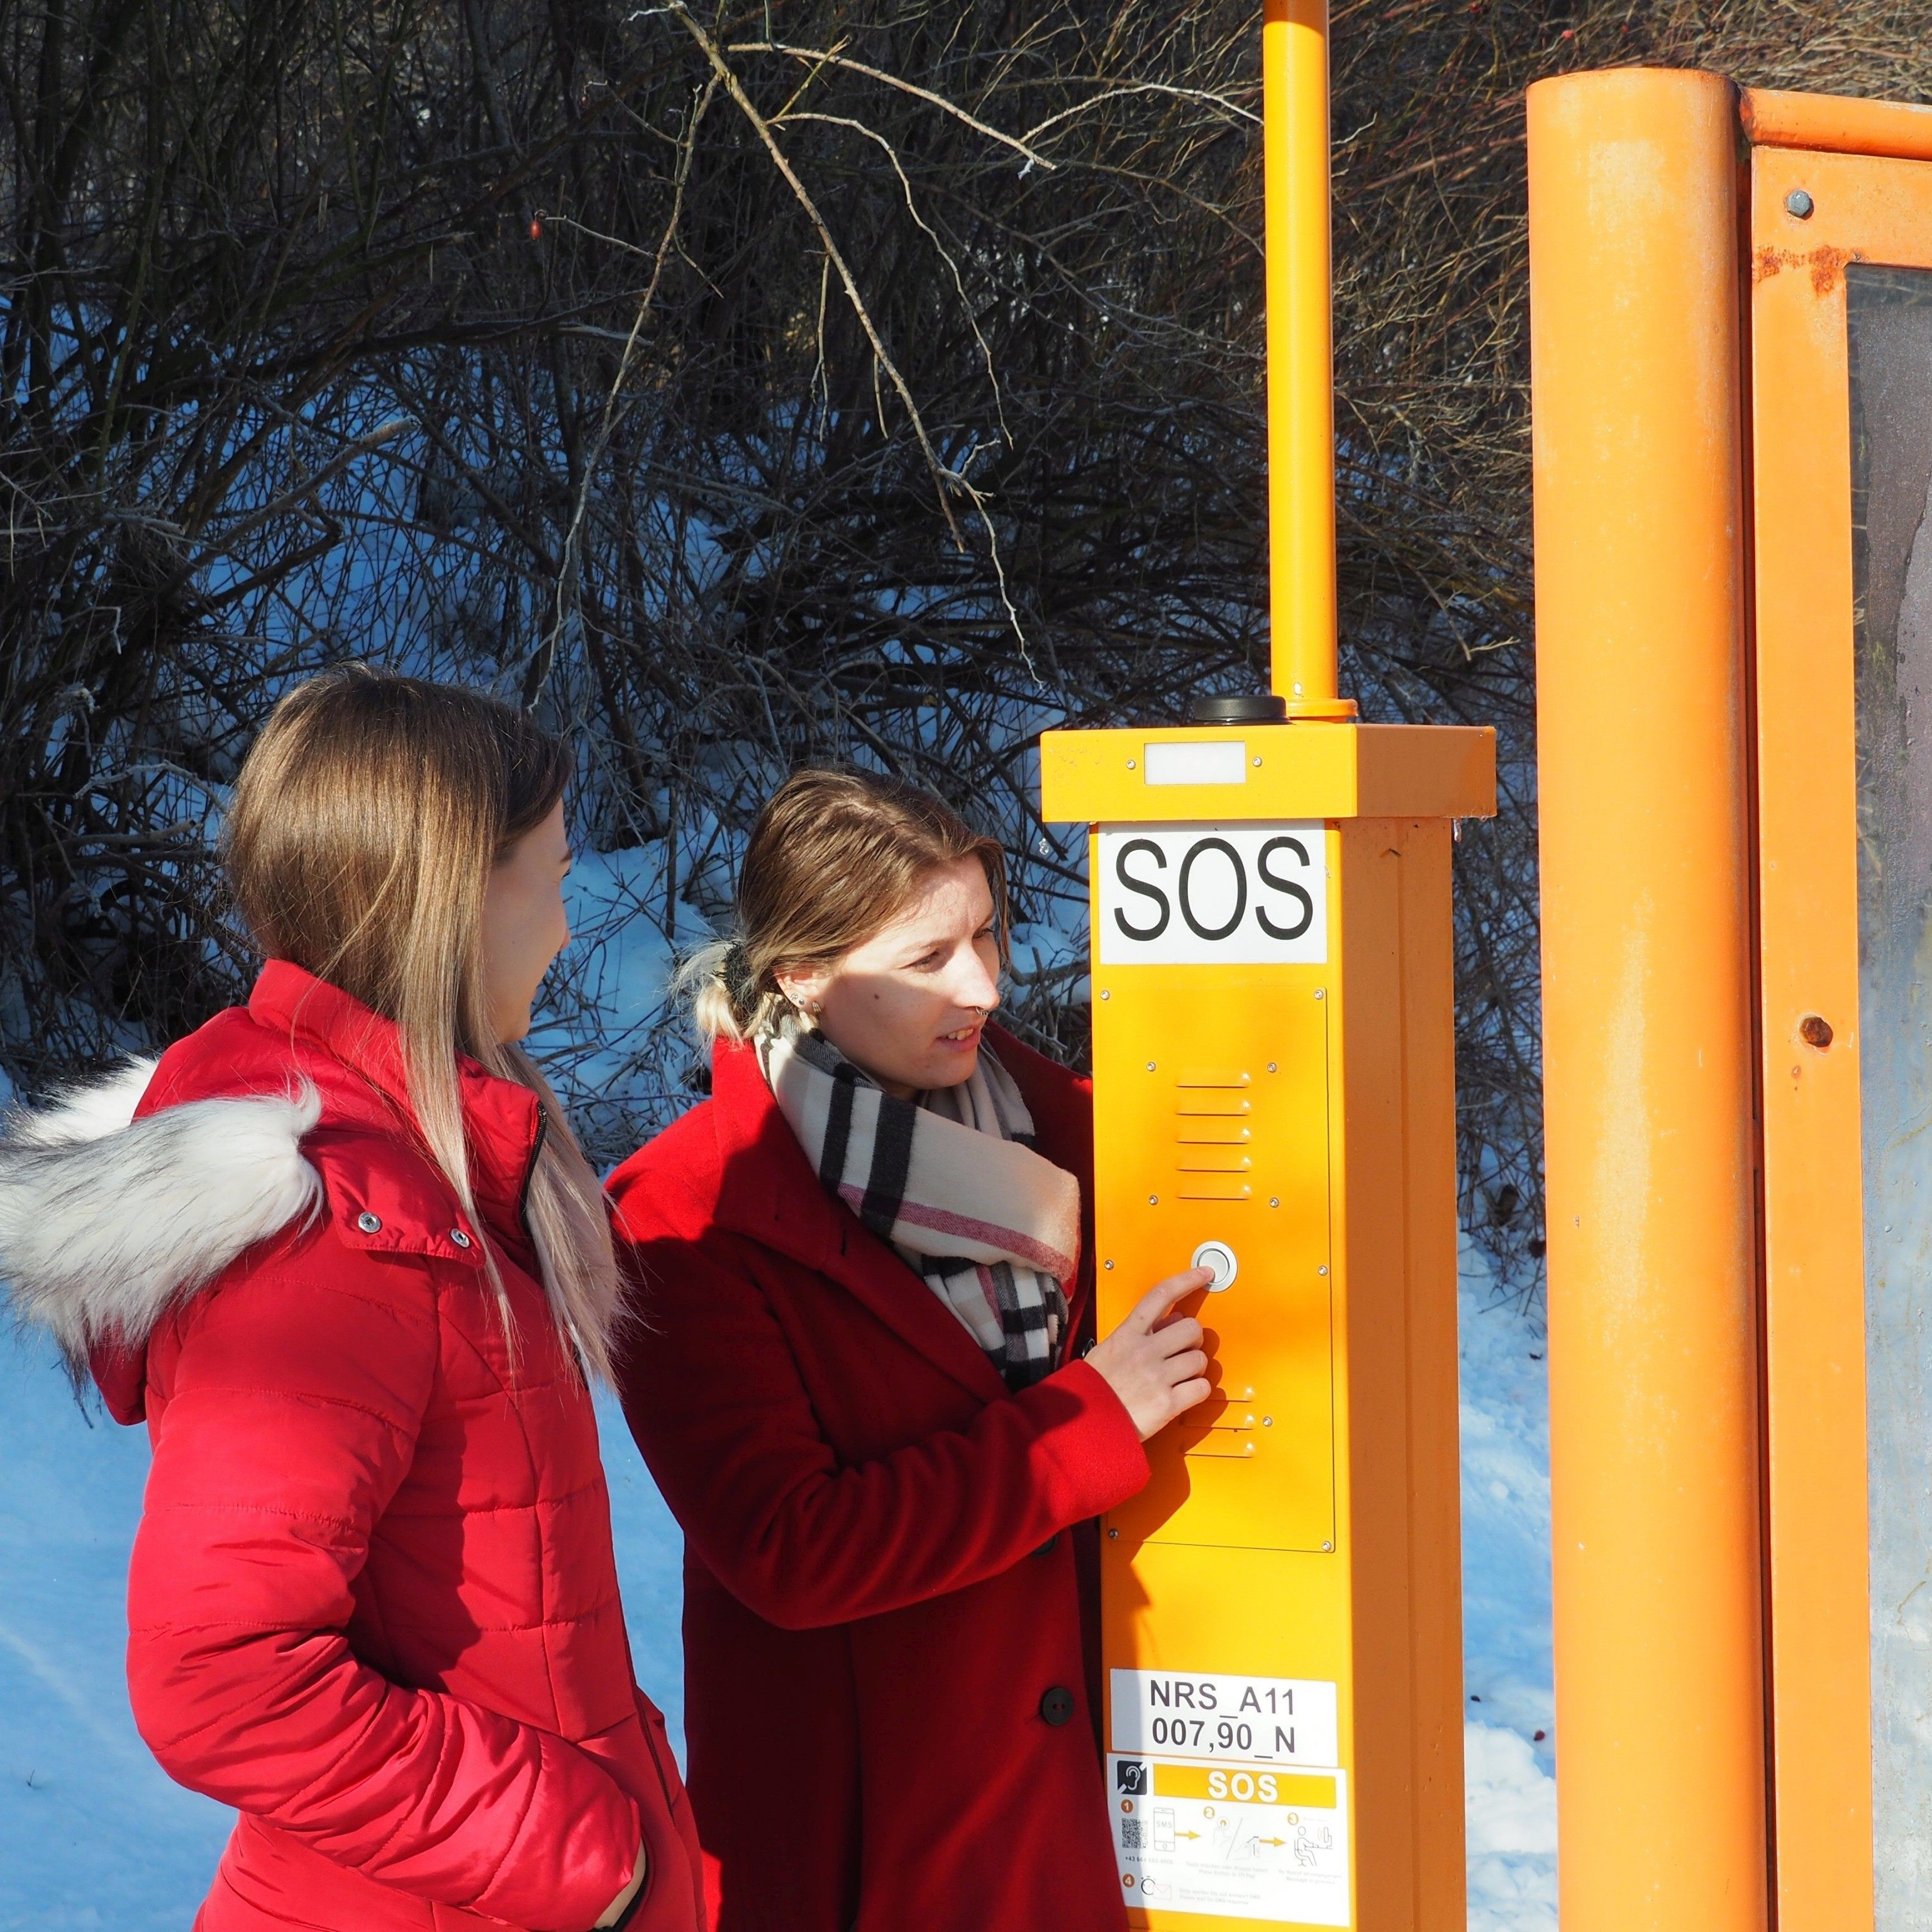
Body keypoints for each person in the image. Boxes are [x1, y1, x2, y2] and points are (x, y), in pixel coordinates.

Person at [0, 670, 704, 1932]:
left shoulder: (428, 1168)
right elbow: (218, 1680)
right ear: (446, 900)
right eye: (548, 877)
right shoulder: (343, 1231)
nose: (563, 927)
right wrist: (588, 1854)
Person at [606, 768, 1214, 1932]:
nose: (984, 985)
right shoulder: (683, 1219)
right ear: (802, 974)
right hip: (870, 1852)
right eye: (928, 959)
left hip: (1088, 1817)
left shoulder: (1085, 1136)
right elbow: (790, 1550)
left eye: (986, 933)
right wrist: (1088, 1420)